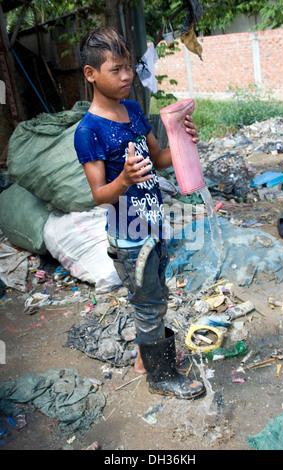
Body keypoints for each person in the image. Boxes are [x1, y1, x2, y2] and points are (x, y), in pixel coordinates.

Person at [74, 27, 205, 400]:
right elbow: (100, 194)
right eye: (116, 70)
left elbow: (159, 161)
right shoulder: (88, 131)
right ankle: (161, 376)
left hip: (154, 226)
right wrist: (125, 179)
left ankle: (143, 359)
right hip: (130, 238)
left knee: (153, 297)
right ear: (91, 74)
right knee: (149, 305)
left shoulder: (133, 110)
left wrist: (181, 137)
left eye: (128, 67)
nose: (128, 76)